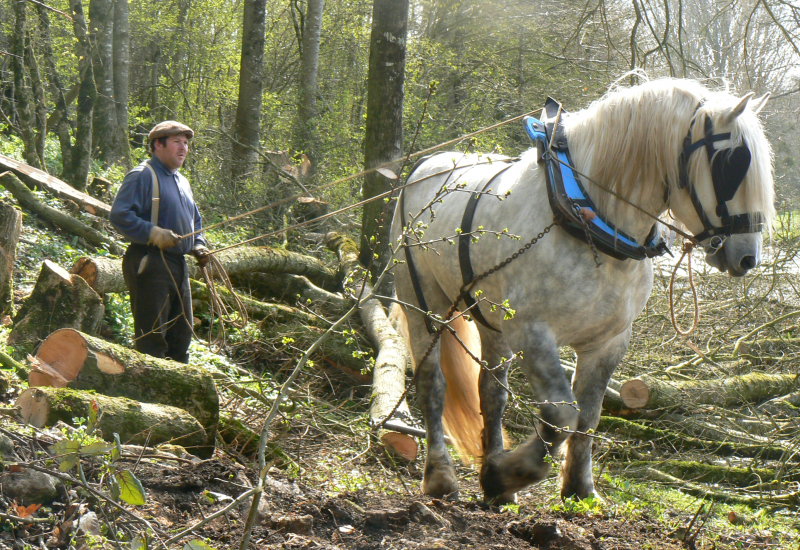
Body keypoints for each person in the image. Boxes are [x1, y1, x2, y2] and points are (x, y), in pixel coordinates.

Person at [110, 121, 210, 363]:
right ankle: (148, 392)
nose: (183, 148)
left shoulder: (182, 182)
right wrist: (153, 232)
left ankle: (176, 394)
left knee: (181, 336)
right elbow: (119, 215)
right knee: (151, 338)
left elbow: (195, 221)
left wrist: (199, 243)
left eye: (186, 143)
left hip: (178, 266)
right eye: (177, 141)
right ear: (158, 144)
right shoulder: (143, 175)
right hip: (150, 262)